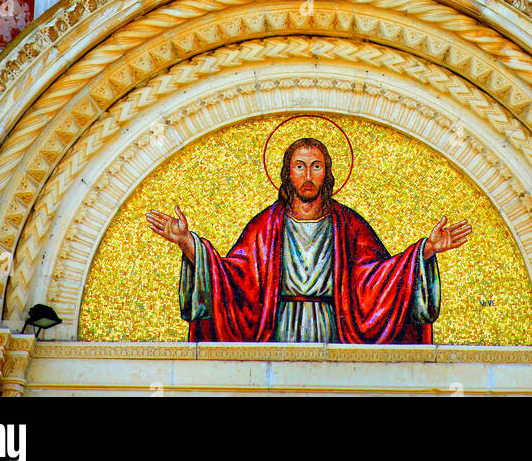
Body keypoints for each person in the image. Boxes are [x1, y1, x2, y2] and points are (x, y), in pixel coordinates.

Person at [146, 134, 472, 343]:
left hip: (333, 328)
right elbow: (234, 278)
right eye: (299, 166)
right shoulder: (266, 225)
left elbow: (379, 278)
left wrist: (426, 251)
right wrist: (187, 243)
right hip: (279, 326)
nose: (307, 175)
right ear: (288, 173)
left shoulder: (348, 225)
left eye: (316, 167)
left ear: (327, 174)